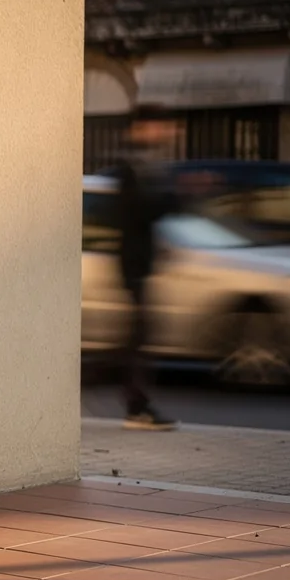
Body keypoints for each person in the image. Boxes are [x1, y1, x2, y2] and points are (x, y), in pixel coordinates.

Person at [113, 107, 183, 431]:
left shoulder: (145, 166)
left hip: (140, 264)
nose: (165, 133)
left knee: (137, 337)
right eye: (159, 126)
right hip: (133, 265)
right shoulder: (131, 167)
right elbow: (138, 211)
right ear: (141, 128)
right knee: (137, 339)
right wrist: (173, 198)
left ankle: (136, 403)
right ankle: (136, 407)